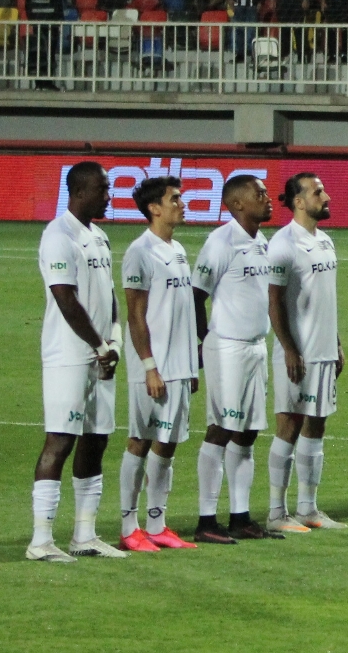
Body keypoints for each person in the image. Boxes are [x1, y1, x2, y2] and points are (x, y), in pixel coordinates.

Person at [29, 163, 124, 562]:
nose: (109, 196)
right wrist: (100, 347)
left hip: (101, 355)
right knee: (60, 440)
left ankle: (84, 535)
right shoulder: (58, 236)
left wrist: (114, 341)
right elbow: (67, 300)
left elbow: (109, 295)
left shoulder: (98, 236)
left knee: (96, 439)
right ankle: (41, 540)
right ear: (80, 191)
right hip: (69, 356)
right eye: (103, 189)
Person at [189, 174, 283, 547]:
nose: (268, 197)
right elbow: (196, 295)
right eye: (259, 193)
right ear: (238, 204)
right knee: (221, 429)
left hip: (255, 346)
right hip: (226, 347)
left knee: (247, 433)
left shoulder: (262, 241)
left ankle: (241, 516)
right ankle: (206, 519)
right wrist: (201, 342)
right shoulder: (221, 241)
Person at [118, 176, 199, 553]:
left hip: (180, 368)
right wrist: (149, 365)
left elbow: (183, 313)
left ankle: (156, 524)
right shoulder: (140, 251)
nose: (181, 204)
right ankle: (127, 525)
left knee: (168, 445)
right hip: (154, 368)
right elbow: (135, 314)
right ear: (154, 208)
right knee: (140, 440)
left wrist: (191, 366)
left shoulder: (178, 249)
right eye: (175, 199)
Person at [264, 173, 347, 533]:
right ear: (299, 202)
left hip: (324, 351)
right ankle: (275, 512)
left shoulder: (325, 241)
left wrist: (337, 343)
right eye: (318, 192)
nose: (326, 196)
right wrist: (289, 349)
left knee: (317, 425)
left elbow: (325, 300)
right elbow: (274, 302)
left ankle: (308, 508)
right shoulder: (284, 244)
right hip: (297, 354)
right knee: (289, 426)